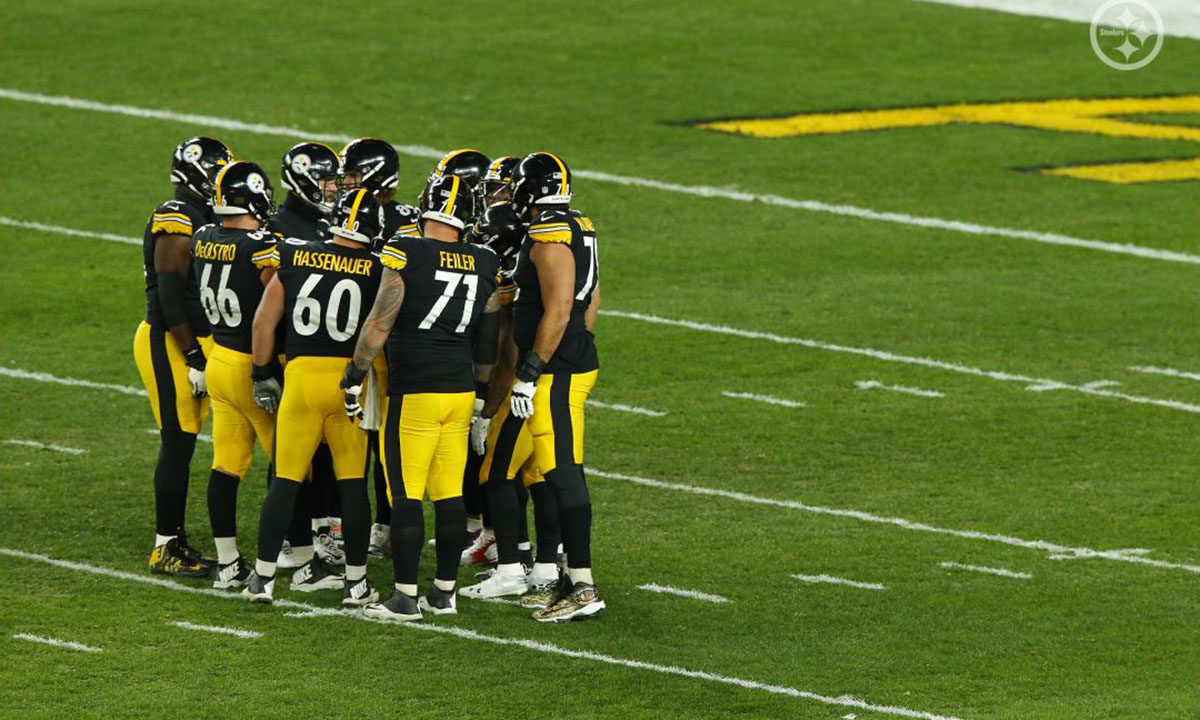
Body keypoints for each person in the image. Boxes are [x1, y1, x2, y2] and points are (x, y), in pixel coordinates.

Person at [347, 174, 503, 622]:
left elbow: (379, 324)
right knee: (450, 494)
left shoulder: (406, 250)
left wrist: (353, 373)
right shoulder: (485, 259)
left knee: (407, 495)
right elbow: (488, 342)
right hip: (458, 391)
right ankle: (445, 592)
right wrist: (479, 395)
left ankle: (403, 597)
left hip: (415, 389)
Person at [476, 152, 603, 622]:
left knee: (563, 471)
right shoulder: (576, 225)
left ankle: (584, 587)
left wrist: (532, 369)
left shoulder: (548, 235)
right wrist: (576, 342)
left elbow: (559, 306)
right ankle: (567, 580)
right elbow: (590, 300)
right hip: (566, 361)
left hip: (556, 371)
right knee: (553, 471)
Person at [242, 189, 384, 607]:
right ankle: (355, 583)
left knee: (285, 480)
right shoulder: (379, 269)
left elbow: (263, 323)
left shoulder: (295, 256)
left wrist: (261, 373)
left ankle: (262, 578)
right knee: (353, 485)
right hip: (350, 383)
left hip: (302, 379)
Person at [133, 136, 231, 577]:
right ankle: (166, 545)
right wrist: (193, 356)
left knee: (199, 439)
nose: (220, 180)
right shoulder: (176, 216)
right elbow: (171, 293)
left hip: (203, 340)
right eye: (215, 171)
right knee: (179, 440)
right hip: (171, 340)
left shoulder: (208, 216)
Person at [189, 161, 279, 589]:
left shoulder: (205, 235)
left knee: (226, 465)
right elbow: (275, 298)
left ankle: (228, 563)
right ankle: (290, 557)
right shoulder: (262, 247)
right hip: (250, 362)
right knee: (291, 466)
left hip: (218, 360)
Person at [340, 138, 421, 559]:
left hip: (380, 344)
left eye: (353, 174)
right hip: (391, 342)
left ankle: (389, 523)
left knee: (383, 441)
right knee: (380, 440)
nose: (346, 182)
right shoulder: (411, 218)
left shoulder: (396, 222)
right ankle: (384, 523)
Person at [267, 141, 345, 569]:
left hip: (322, 353)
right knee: (291, 454)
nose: (333, 187)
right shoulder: (278, 228)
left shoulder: (325, 224)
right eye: (326, 179)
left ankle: (324, 529)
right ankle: (293, 539)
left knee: (330, 451)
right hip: (290, 354)